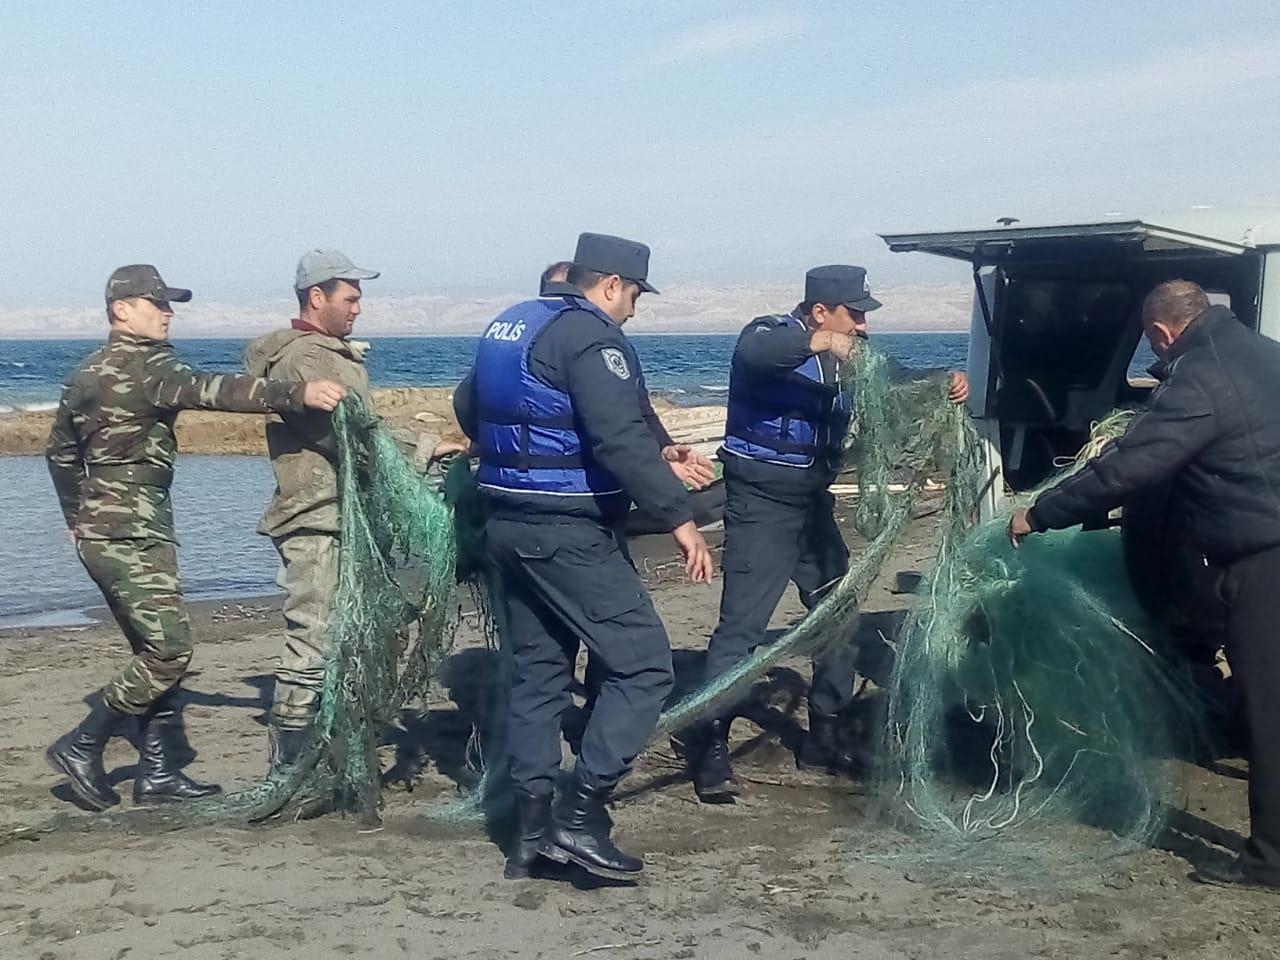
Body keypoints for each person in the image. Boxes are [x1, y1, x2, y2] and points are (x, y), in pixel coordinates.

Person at [454, 232, 714, 882]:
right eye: (633, 296)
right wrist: (679, 518)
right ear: (609, 285)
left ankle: (531, 832)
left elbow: (470, 404)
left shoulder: (513, 324)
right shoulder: (593, 336)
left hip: (507, 526)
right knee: (645, 664)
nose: (632, 310)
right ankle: (582, 812)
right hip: (567, 529)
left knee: (540, 678)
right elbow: (618, 434)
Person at [1007, 280, 1280, 890]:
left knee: (1269, 713)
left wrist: (1040, 511)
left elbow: (1132, 466)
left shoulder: (1199, 375)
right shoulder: (1265, 352)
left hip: (1264, 559)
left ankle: (1270, 862)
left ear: (1160, 333)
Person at [45, 264, 346, 810]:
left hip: (110, 534)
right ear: (121, 310)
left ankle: (157, 773)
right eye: (156, 302)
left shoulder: (84, 372)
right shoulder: (147, 367)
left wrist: (76, 516)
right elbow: (217, 390)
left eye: (169, 302)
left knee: (152, 647)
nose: (168, 312)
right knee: (169, 651)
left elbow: (60, 453)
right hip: (131, 535)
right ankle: (82, 744)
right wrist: (297, 392)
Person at [688, 265, 969, 801]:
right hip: (760, 505)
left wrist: (944, 380)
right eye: (854, 313)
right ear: (820, 312)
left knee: (837, 617)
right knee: (741, 630)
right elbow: (755, 356)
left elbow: (898, 379)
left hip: (813, 505)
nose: (862, 325)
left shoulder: (855, 356)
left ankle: (825, 731)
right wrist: (824, 343)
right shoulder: (766, 335)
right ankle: (710, 743)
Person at [244, 249, 385, 771]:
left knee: (344, 631)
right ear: (317, 297)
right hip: (315, 517)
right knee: (315, 631)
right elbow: (346, 437)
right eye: (350, 297)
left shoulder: (330, 353)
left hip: (341, 515)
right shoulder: (305, 358)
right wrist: (418, 448)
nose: (359, 307)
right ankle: (291, 757)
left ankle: (329, 740)